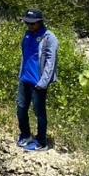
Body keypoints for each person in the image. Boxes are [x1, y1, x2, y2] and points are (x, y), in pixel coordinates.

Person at [17, 9, 58, 152]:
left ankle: (42, 142)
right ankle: (26, 135)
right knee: (21, 108)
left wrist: (43, 82)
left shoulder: (49, 37)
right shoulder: (27, 34)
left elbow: (50, 62)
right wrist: (20, 74)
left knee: (39, 112)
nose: (29, 26)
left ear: (40, 22)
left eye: (32, 23)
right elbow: (25, 55)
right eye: (27, 23)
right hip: (25, 79)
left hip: (39, 82)